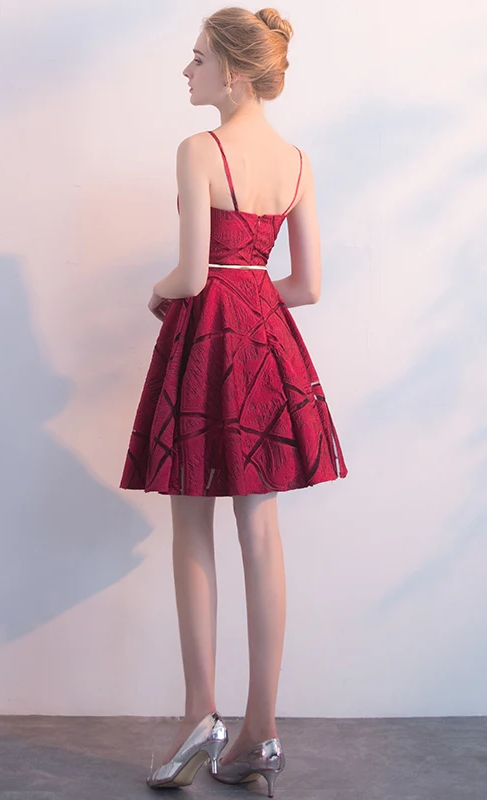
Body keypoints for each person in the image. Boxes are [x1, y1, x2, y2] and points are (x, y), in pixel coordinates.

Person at [119, 7, 348, 796]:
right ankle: (262, 730)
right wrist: (252, 298)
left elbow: (190, 274)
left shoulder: (199, 150)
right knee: (261, 530)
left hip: (203, 345)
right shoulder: (297, 162)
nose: (187, 70)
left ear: (235, 73)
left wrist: (158, 292)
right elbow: (307, 286)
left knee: (192, 521)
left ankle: (198, 719)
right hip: (266, 345)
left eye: (198, 58)